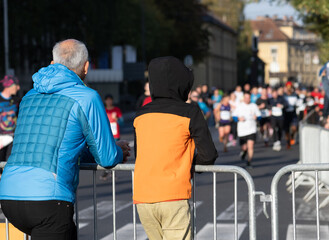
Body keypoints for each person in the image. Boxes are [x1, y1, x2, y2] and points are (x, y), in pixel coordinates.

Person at [0, 39, 130, 240]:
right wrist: (119, 150)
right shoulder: (86, 97)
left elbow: (57, 145)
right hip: (49, 199)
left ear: (53, 63)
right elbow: (106, 157)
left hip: (9, 194)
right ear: (86, 67)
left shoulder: (29, 96)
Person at [133, 56, 218, 240]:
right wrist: (192, 165)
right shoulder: (190, 112)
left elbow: (140, 154)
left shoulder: (140, 114)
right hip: (173, 195)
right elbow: (209, 154)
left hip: (143, 196)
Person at [233, 92, 261, 168]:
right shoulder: (239, 106)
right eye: (246, 98)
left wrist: (257, 117)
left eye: (248, 98)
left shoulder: (254, 106)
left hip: (252, 129)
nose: (247, 99)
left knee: (250, 146)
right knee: (244, 147)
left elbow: (259, 116)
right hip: (242, 131)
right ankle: (244, 152)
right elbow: (234, 117)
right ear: (243, 98)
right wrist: (239, 118)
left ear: (250, 98)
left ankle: (249, 162)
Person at [100, 94, 124, 180]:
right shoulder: (103, 110)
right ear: (105, 101)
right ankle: (108, 171)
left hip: (116, 135)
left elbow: (122, 122)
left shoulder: (117, 110)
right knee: (107, 153)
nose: (109, 101)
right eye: (107, 100)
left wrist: (117, 119)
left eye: (110, 100)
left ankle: (111, 171)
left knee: (115, 153)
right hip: (107, 135)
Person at [0, 75, 20, 162]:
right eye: (16, 85)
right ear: (10, 86)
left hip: (12, 138)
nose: (18, 88)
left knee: (8, 162)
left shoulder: (16, 101)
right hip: (1, 139)